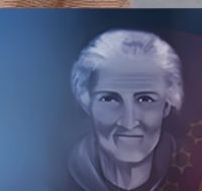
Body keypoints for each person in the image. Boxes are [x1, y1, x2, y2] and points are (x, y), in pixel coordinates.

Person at [63, 31, 182, 191]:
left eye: (145, 99)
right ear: (87, 103)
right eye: (109, 99)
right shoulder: (48, 180)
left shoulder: (196, 169)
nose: (128, 122)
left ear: (166, 106)